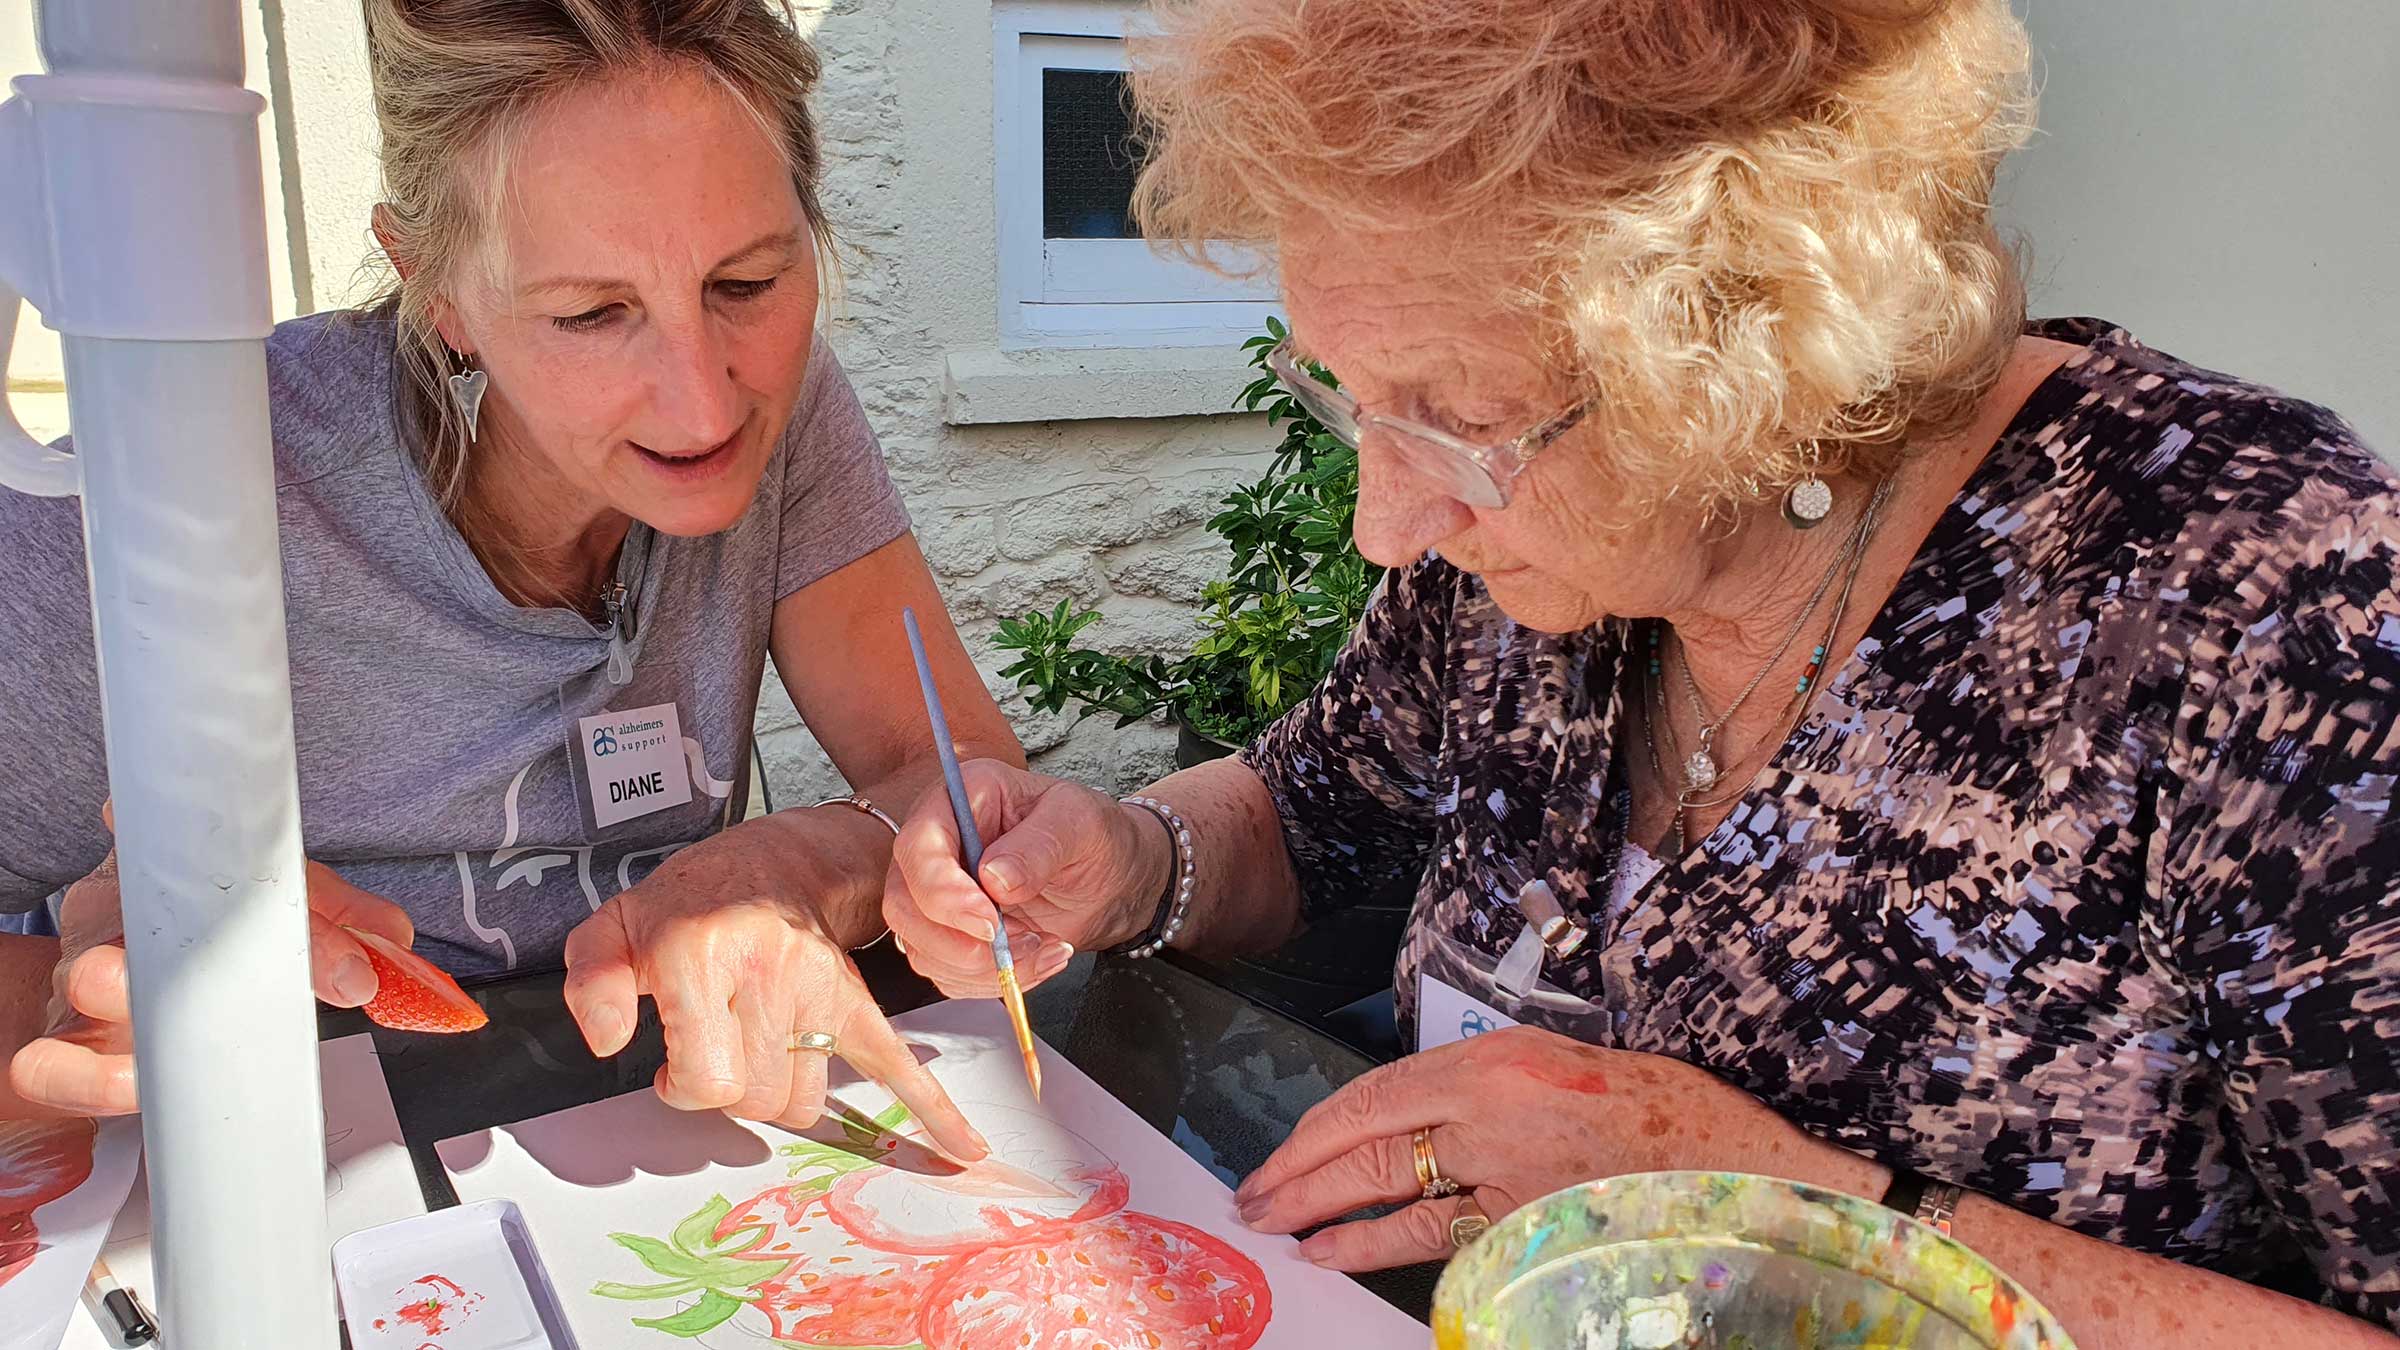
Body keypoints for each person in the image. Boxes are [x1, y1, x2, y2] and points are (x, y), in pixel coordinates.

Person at [885, 0, 2400, 1341]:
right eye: (1353, 400)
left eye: (1456, 420)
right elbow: (1306, 816)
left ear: (1760, 356)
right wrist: (1132, 859)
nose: (1386, 523)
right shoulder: (1501, 574)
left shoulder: (2265, 604)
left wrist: (1770, 1205)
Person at [0, 0, 1021, 1158]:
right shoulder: (167, 493)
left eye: (747, 285)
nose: (704, 402)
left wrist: (777, 868)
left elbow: (958, 780)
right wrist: (67, 1004)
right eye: (591, 313)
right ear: (437, 292)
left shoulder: (792, 413)